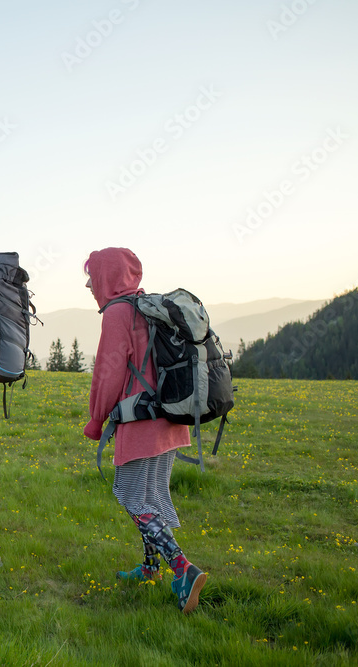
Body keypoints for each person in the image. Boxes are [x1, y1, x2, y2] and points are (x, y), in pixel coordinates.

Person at [82, 247, 207, 613]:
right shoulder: (147, 305)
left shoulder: (117, 313)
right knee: (150, 496)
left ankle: (183, 569)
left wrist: (95, 419)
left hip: (140, 423)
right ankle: (151, 569)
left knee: (132, 498)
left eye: (93, 275)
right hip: (170, 419)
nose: (89, 283)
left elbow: (108, 373)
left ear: (107, 275)